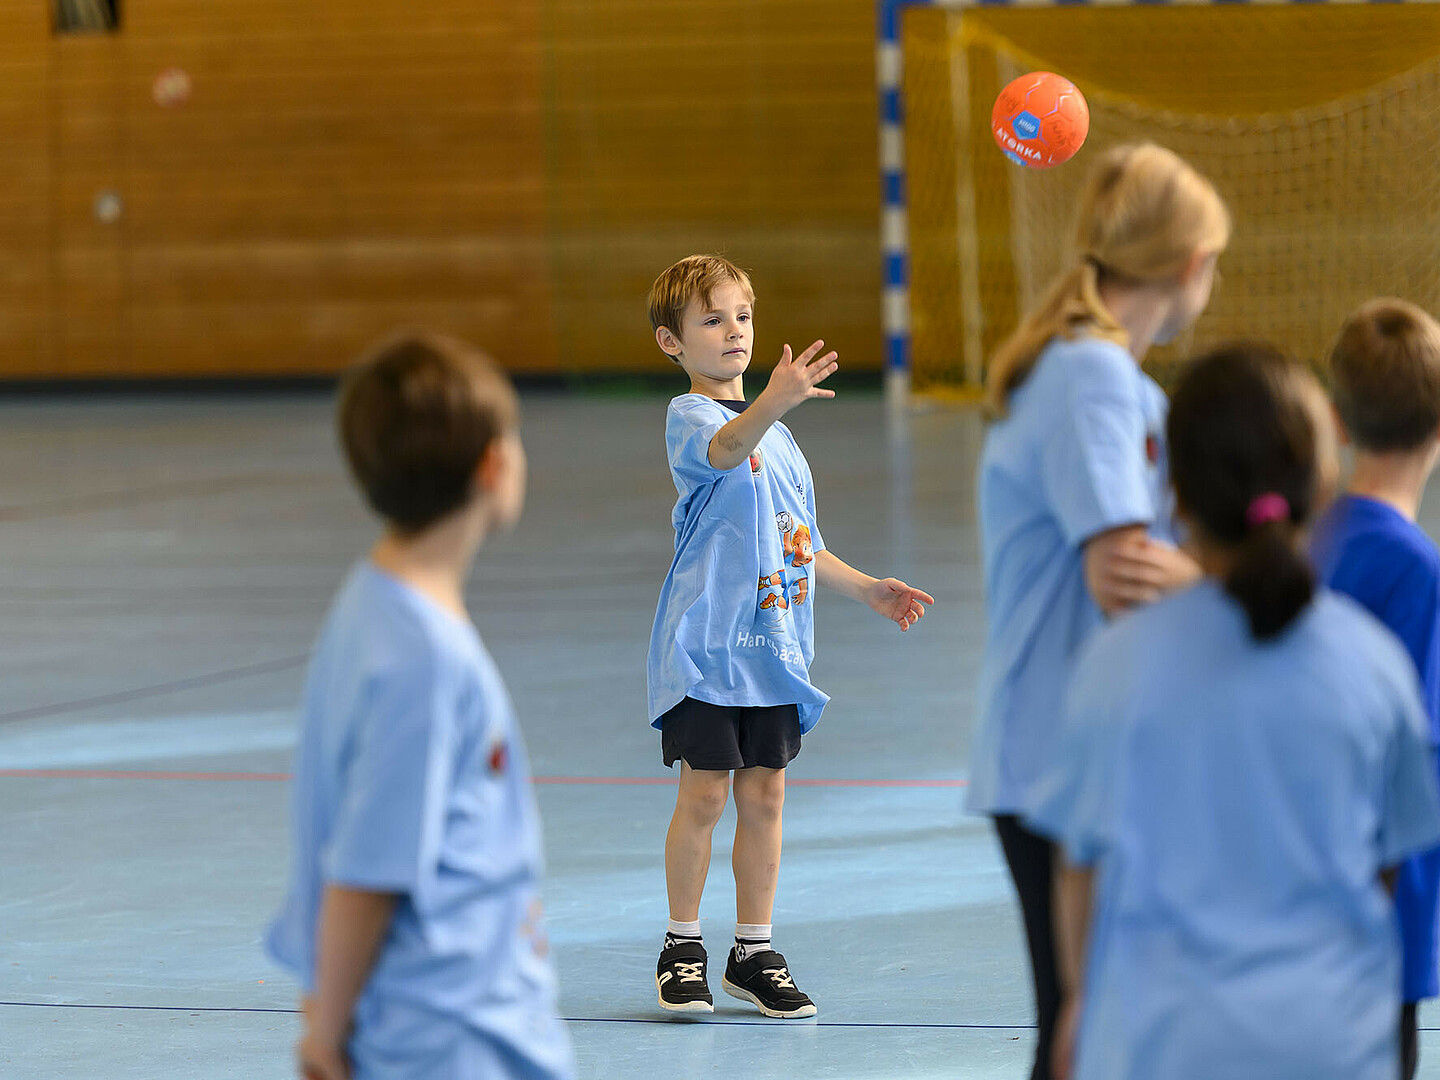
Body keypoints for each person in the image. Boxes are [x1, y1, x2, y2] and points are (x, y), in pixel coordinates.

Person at [1033, 342, 1440, 1080]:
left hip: (1164, 1039)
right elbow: (1387, 866)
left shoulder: (1117, 665)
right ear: (1319, 484)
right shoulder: (1374, 665)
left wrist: (1082, 1005)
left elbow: (1081, 867)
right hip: (1333, 1042)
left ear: (1175, 492)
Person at [970, 143, 1229, 1079]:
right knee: (1084, 1033)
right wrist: (1254, 594)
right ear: (1190, 264)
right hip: (1060, 751)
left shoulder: (1115, 380)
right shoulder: (1092, 378)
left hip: (1081, 744)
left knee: (1100, 1028)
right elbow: (1120, 574)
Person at [265, 333, 573, 1080]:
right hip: (451, 1034)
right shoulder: (424, 659)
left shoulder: (369, 602)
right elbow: (366, 872)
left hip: (455, 1019)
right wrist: (325, 1033)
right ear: (493, 467)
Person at [646, 254, 934, 1018]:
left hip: (775, 651)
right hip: (708, 652)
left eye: (742, 316)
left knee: (766, 796)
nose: (733, 332)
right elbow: (726, 450)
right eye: (712, 320)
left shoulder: (784, 445)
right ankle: (682, 945)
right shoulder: (695, 420)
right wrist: (773, 401)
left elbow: (799, 541)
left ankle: (753, 949)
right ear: (673, 344)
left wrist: (869, 588)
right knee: (705, 795)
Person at [1311, 299, 1440, 1079]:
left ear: (1336, 417)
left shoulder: (1305, 542)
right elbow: (1413, 755)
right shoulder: (1417, 572)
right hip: (1378, 909)